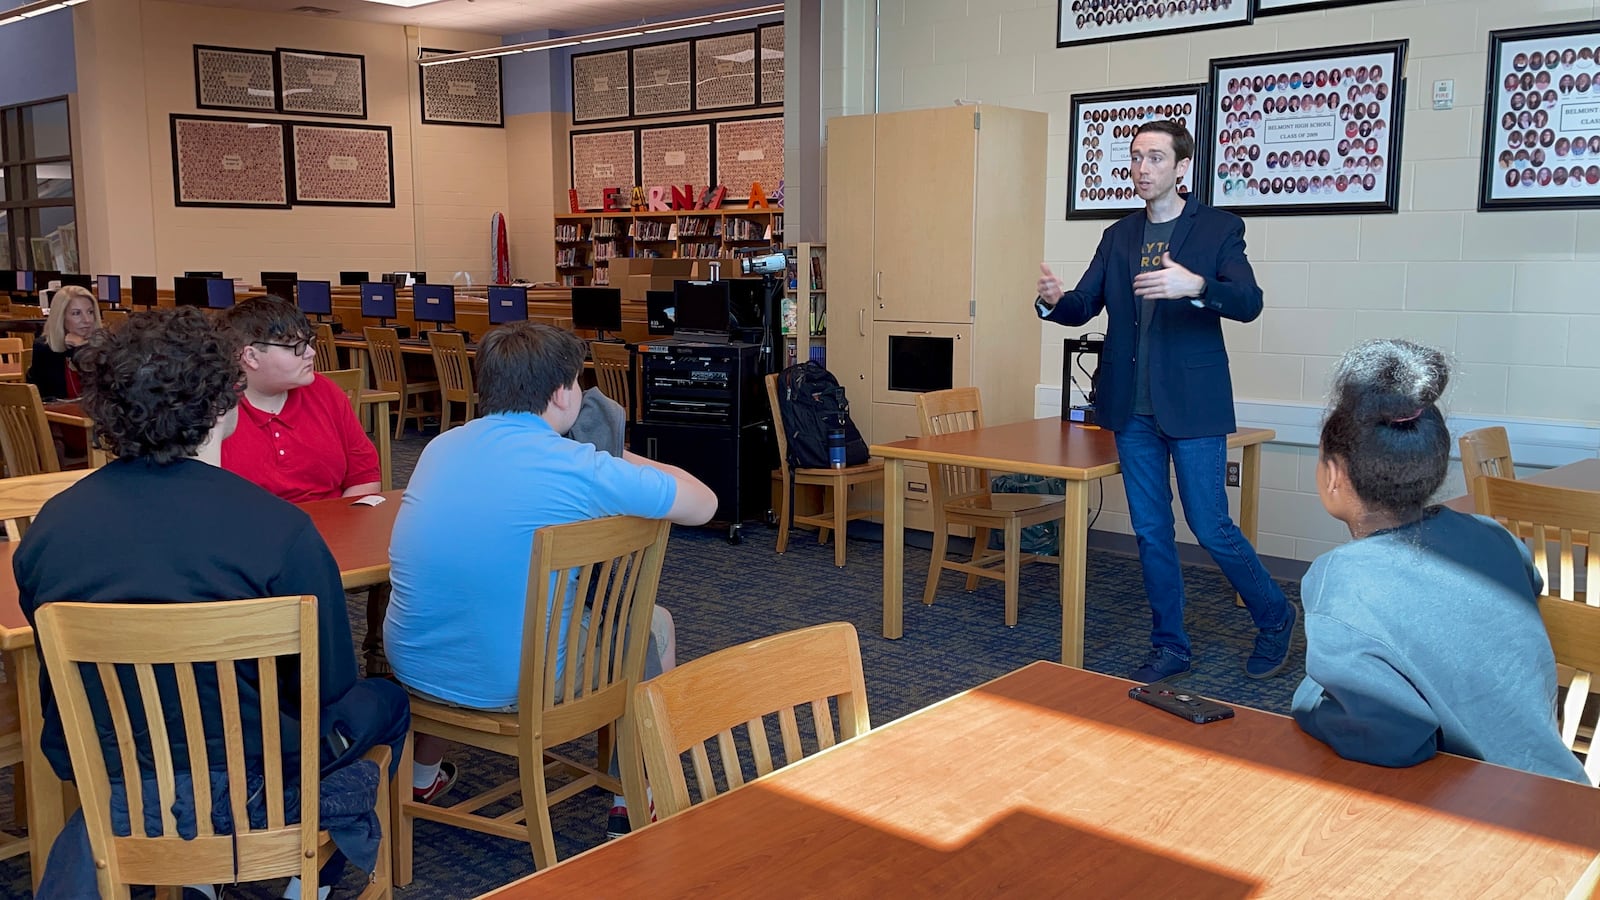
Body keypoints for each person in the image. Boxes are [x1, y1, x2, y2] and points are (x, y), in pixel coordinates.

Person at [15, 307, 411, 899]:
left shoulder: (51, 527)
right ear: (223, 404)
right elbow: (328, 683)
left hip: (112, 770)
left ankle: (207, 868)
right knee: (385, 697)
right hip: (251, 773)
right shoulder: (280, 531)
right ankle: (299, 876)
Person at [384, 321, 716, 833]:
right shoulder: (576, 465)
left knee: (475, 605)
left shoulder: (439, 447)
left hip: (415, 665)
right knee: (656, 624)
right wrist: (615, 454)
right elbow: (704, 505)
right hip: (512, 680)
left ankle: (422, 774)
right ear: (562, 394)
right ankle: (636, 793)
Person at [1035, 119, 1296, 684]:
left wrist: (1197, 288)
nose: (1141, 168)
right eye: (1134, 157)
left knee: (1209, 524)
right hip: (1132, 410)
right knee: (1151, 531)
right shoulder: (1119, 236)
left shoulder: (1219, 229)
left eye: (1154, 157)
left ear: (1182, 168)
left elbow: (1248, 302)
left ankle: (1275, 616)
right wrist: (1053, 302)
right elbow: (1084, 305)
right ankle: (1170, 645)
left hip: (1194, 405)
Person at [1291, 339, 1588, 784]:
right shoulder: (1496, 537)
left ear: (1333, 475)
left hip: (1485, 816)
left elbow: (1387, 740)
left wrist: (1309, 698)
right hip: (1565, 793)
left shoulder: (1341, 578)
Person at [219, 295, 393, 680]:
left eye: (309, 342)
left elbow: (364, 471)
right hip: (251, 550)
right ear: (250, 356)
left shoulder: (326, 395)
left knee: (403, 552)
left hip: (329, 538)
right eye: (296, 347)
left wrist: (337, 532)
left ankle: (382, 665)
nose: (311, 353)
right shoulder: (217, 412)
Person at [28, 284, 101, 401]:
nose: (87, 320)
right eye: (76, 313)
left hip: (99, 417)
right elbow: (41, 397)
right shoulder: (45, 348)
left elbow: (103, 392)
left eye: (90, 312)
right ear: (60, 317)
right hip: (57, 417)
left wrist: (82, 349)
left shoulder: (104, 347)